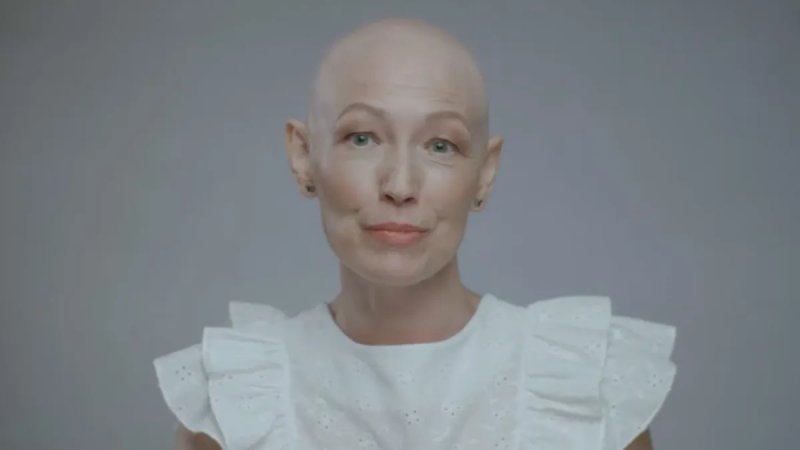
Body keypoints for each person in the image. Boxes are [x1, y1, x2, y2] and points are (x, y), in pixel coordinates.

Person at [153, 17, 677, 450]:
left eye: (441, 146)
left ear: (485, 172)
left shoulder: (581, 391)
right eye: (362, 138)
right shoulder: (237, 404)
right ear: (303, 156)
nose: (400, 185)